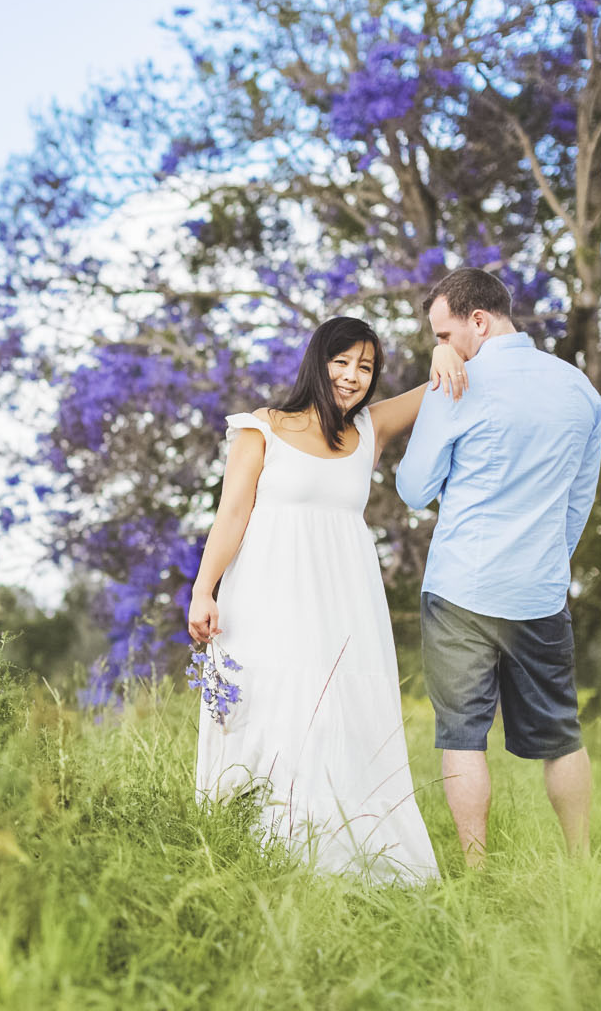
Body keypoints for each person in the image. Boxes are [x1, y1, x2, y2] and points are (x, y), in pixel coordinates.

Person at [187, 316, 466, 884]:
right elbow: (232, 514)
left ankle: (346, 855)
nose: (352, 376)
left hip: (344, 599)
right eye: (342, 362)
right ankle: (259, 850)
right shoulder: (260, 428)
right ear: (318, 361)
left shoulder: (369, 428)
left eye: (366, 367)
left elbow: (438, 389)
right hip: (268, 593)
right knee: (272, 709)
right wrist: (203, 589)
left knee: (343, 714)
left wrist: (443, 353)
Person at [394, 268, 601, 868]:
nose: (441, 347)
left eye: (444, 334)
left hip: (461, 586)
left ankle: (478, 871)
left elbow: (413, 488)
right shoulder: (580, 391)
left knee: (463, 735)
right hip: (539, 591)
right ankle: (581, 863)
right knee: (562, 735)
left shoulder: (458, 385)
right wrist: (544, 564)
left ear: (477, 322)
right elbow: (577, 501)